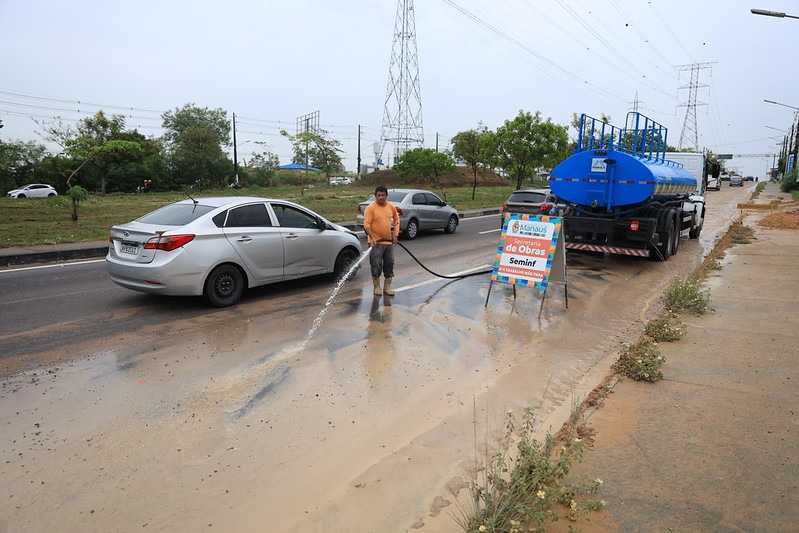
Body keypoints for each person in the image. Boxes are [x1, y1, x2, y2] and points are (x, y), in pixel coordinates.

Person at [363, 185, 400, 296]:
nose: (381, 197)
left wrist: (395, 234)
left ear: (386, 196)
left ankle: (387, 287)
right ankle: (377, 286)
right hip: (375, 243)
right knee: (376, 265)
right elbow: (367, 224)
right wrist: (372, 237)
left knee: (389, 263)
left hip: (388, 242)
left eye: (383, 195)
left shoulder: (391, 207)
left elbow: (397, 219)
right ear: (375, 196)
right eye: (378, 195)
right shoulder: (370, 208)